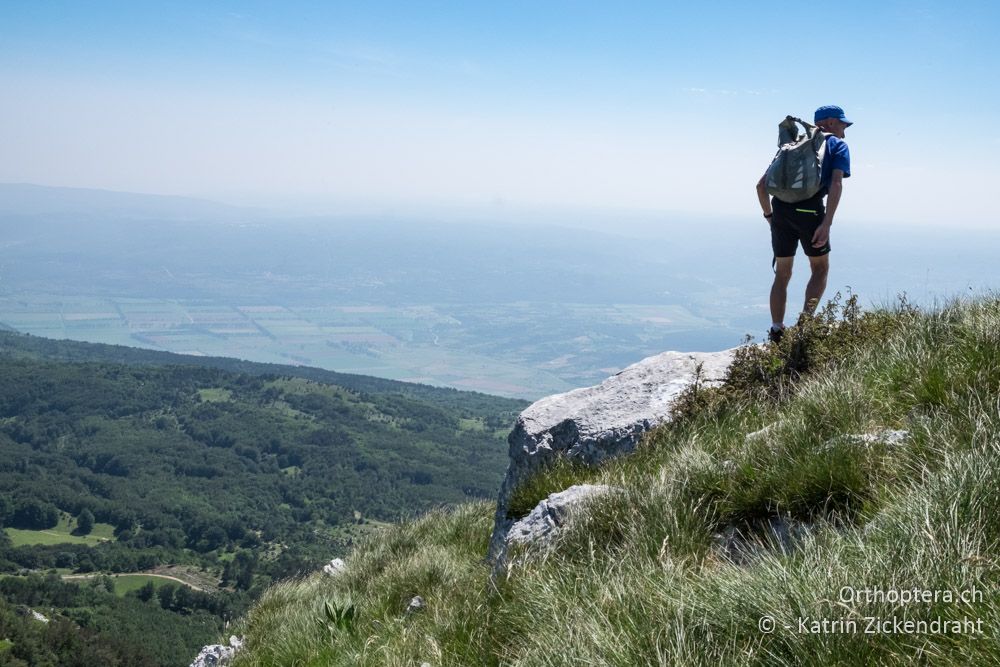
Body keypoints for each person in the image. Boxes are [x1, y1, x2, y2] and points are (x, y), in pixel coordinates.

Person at [756, 105, 852, 343]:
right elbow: (836, 185)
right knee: (820, 269)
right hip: (810, 211)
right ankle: (804, 325)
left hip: (780, 211)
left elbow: (760, 186)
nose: (845, 130)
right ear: (829, 123)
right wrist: (826, 223)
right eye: (842, 124)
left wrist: (770, 217)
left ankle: (776, 329)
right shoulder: (836, 146)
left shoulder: (792, 145)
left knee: (782, 273)